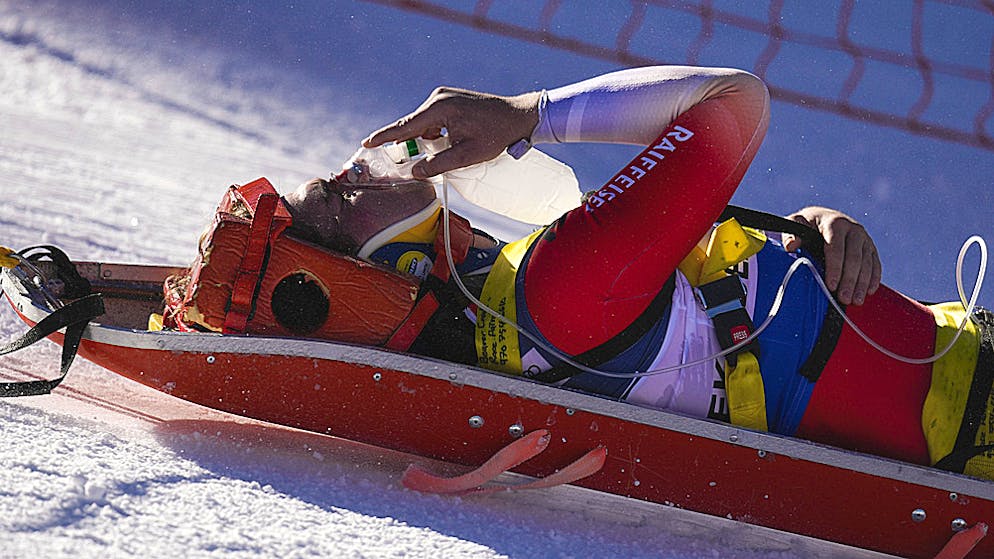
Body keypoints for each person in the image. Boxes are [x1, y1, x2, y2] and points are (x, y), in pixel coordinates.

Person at [283, 65, 993, 479]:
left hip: (951, 360)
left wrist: (811, 227)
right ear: (379, 275)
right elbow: (735, 101)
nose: (351, 167)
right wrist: (528, 113)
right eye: (336, 194)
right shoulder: (553, 290)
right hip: (972, 405)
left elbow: (713, 281)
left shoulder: (518, 299)